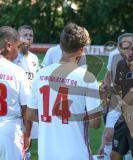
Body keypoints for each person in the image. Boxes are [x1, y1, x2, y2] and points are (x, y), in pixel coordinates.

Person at [26, 23, 101, 160]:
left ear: (60, 45)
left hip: (46, 153)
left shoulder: (41, 74)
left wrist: (54, 120)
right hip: (76, 153)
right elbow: (95, 124)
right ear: (82, 49)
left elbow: (30, 114)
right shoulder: (87, 78)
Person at [0, 26, 31, 160]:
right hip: (10, 132)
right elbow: (26, 109)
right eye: (17, 47)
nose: (18, 52)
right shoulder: (17, 71)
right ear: (8, 45)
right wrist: (27, 134)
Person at [14, 25, 40, 141]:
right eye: (25, 35)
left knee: (28, 138)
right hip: (16, 104)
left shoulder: (34, 58)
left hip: (30, 104)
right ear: (17, 38)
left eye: (31, 35)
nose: (28, 38)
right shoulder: (12, 57)